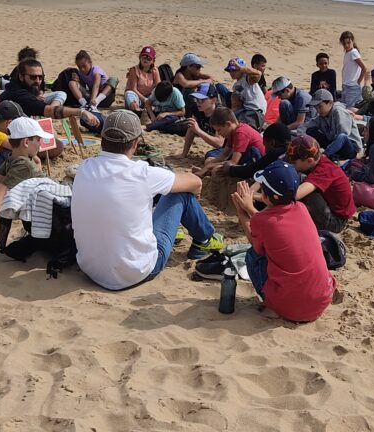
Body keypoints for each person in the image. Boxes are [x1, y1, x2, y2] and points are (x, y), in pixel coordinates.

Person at [71, 111, 225, 290]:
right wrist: (193, 192)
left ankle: (190, 235)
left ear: (103, 139)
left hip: (91, 269)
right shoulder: (141, 173)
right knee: (179, 193)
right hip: (136, 272)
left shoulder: (85, 167)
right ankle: (204, 240)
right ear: (136, 143)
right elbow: (196, 182)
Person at [230, 162, 337, 322]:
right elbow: (273, 223)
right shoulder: (301, 208)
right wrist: (251, 209)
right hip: (321, 301)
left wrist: (241, 211)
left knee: (252, 255)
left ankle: (273, 306)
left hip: (291, 308)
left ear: (267, 196)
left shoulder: (263, 221)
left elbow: (255, 240)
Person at [0, 117, 51, 230]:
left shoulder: (12, 158)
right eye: (38, 140)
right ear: (26, 142)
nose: (39, 145)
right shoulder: (21, 164)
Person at [0, 58, 100, 138]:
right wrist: (81, 112)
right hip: (5, 136)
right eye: (33, 77)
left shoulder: (23, 87)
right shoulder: (18, 93)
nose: (38, 81)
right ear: (21, 77)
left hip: (14, 129)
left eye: (40, 77)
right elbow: (50, 111)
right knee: (54, 143)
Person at [286, 135, 356, 234]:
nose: (291, 164)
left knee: (303, 187)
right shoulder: (314, 163)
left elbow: (295, 194)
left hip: (336, 221)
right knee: (293, 177)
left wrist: (260, 196)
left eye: (294, 163)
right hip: (330, 207)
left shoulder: (324, 170)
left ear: (309, 160)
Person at [192, 107, 264, 177]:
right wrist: (210, 164)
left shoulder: (241, 133)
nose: (218, 133)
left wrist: (209, 166)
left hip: (255, 161)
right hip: (244, 157)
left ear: (228, 124)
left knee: (216, 170)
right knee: (209, 160)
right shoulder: (232, 132)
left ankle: (207, 172)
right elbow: (224, 155)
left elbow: (233, 162)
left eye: (219, 130)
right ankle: (206, 172)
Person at [304, 89, 361, 161]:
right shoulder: (321, 116)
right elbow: (308, 126)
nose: (318, 110)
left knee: (341, 136)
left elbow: (343, 135)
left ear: (330, 103)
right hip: (333, 144)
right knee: (311, 131)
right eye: (316, 108)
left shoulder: (338, 111)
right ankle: (331, 153)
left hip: (350, 147)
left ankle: (325, 155)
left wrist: (327, 152)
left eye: (320, 107)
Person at [53, 50, 119, 110]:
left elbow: (96, 85)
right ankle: (84, 104)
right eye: (79, 67)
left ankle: (95, 103)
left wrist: (94, 99)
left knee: (114, 79)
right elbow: (79, 85)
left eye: (84, 66)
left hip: (104, 98)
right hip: (90, 99)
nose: (82, 69)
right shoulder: (80, 73)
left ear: (90, 63)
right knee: (72, 83)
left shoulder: (96, 70)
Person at [226, 123, 292, 180]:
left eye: (265, 145)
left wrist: (230, 170)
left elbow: (250, 171)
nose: (265, 150)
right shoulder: (293, 148)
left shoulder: (275, 154)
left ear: (272, 143)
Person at [178, 83, 225, 158]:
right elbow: (191, 129)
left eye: (201, 99)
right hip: (220, 147)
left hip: (231, 148)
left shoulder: (220, 114)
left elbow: (220, 143)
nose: (198, 102)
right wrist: (184, 154)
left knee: (209, 156)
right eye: (196, 99)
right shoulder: (196, 109)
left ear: (213, 100)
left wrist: (198, 131)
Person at [226, 57, 266, 130]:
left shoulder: (248, 78)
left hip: (255, 111)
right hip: (245, 111)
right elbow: (236, 105)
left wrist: (241, 68)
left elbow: (258, 74)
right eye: (230, 70)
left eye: (234, 70)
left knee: (244, 130)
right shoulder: (236, 85)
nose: (231, 73)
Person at [124, 46, 160, 114]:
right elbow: (133, 89)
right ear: (140, 58)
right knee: (129, 93)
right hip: (137, 96)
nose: (145, 59)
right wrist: (144, 99)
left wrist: (151, 99)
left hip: (149, 97)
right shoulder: (134, 70)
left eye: (149, 58)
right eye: (143, 56)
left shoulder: (155, 70)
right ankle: (136, 110)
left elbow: (158, 86)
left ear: (153, 61)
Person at [339, 31, 369, 108]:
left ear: (353, 41)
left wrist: (358, 81)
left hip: (352, 87)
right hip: (346, 86)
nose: (346, 45)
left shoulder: (353, 52)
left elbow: (364, 68)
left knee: (349, 110)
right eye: (344, 43)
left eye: (348, 42)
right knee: (346, 108)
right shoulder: (348, 53)